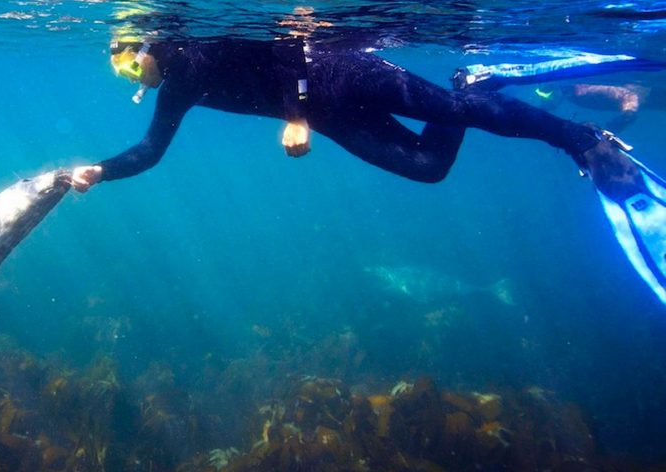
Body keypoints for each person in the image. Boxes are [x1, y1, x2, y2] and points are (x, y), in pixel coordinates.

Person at [71, 37, 666, 304]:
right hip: (329, 115)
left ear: (150, 43)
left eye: (128, 59)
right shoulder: (175, 89)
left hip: (340, 74)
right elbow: (150, 151)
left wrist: (296, 114)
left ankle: (580, 140)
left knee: (462, 115)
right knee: (429, 166)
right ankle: (471, 84)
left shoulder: (200, 46)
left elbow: (290, 49)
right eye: (120, 70)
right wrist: (96, 172)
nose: (130, 74)